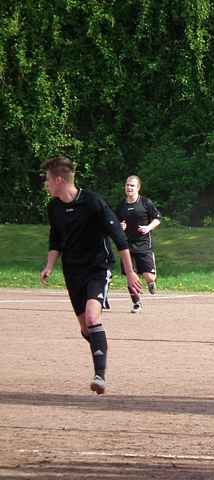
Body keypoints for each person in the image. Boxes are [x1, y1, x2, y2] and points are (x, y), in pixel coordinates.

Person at [39, 155, 142, 395]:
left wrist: (130, 273)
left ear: (59, 180)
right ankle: (100, 344)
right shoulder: (53, 207)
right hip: (72, 271)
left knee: (93, 319)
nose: (45, 184)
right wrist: (49, 265)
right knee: (87, 329)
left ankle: (100, 376)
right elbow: (56, 239)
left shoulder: (93, 202)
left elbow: (120, 238)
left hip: (98, 267)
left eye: (47, 180)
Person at [115, 175, 161, 313]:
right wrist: (119, 226)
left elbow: (158, 218)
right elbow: (115, 223)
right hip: (126, 246)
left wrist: (148, 228)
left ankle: (151, 281)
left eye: (132, 185)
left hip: (143, 244)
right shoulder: (121, 206)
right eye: (127, 185)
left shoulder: (146, 203)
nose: (129, 187)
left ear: (138, 188)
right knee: (131, 275)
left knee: (149, 276)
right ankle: (136, 303)